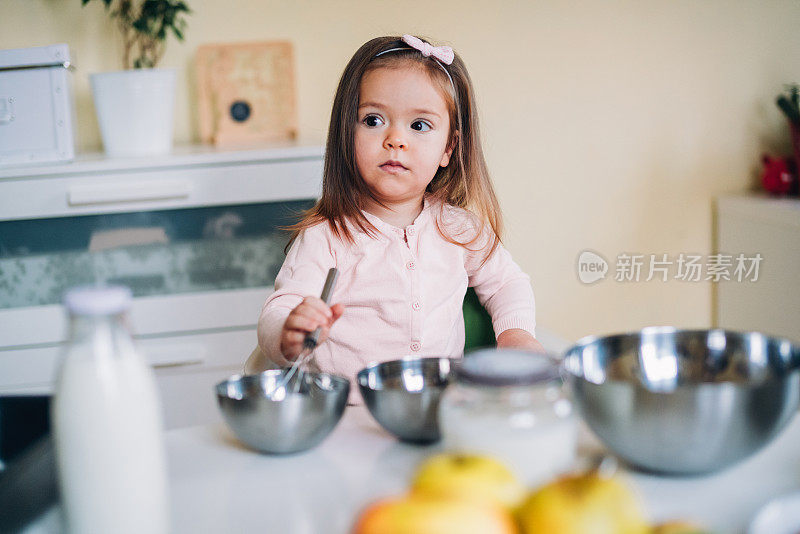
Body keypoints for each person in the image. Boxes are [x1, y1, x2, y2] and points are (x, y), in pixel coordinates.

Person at [245, 34, 545, 386]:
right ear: (347, 132)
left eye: (419, 126)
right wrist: (287, 332)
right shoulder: (327, 236)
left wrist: (515, 334)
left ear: (448, 148)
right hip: (348, 415)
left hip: (434, 406)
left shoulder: (458, 228)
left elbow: (507, 282)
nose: (395, 140)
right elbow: (278, 310)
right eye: (373, 120)